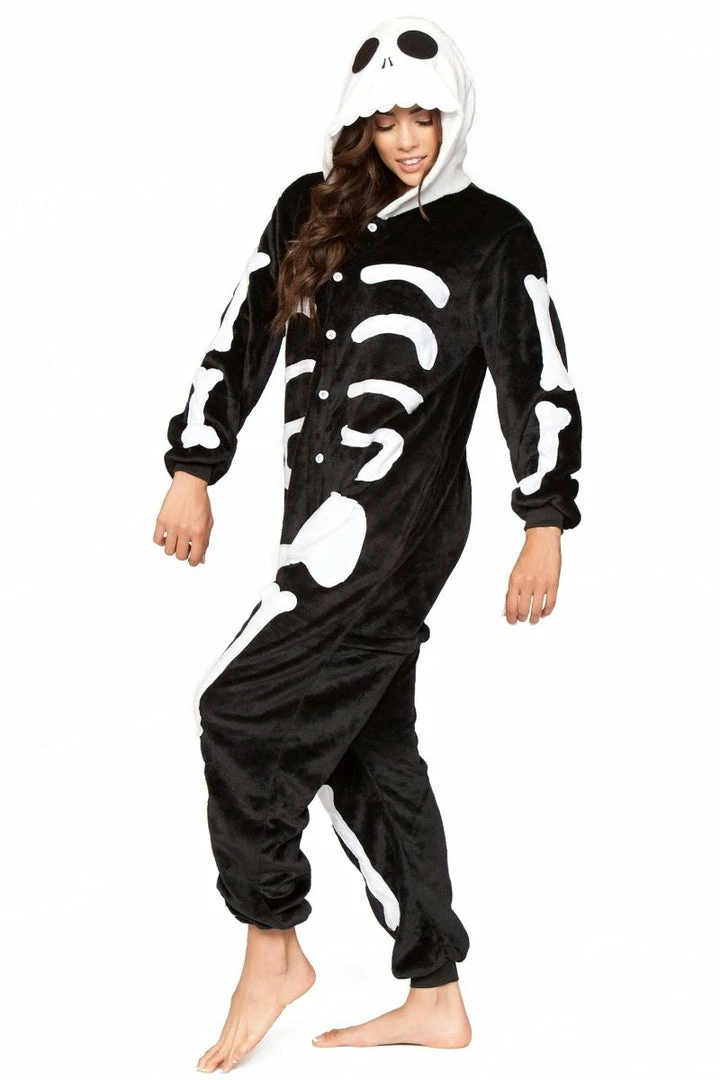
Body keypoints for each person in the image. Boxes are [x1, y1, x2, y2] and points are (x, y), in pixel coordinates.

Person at [154, 13, 582, 1072]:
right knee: (366, 752)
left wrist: (544, 521)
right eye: (388, 120)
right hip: (312, 520)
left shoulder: (491, 233)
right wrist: (194, 466)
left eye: (425, 117)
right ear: (359, 123)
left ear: (455, 114)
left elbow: (539, 376)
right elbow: (242, 333)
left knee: (237, 710)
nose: (408, 138)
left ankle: (271, 944)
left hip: (396, 531)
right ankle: (436, 992)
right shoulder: (308, 209)